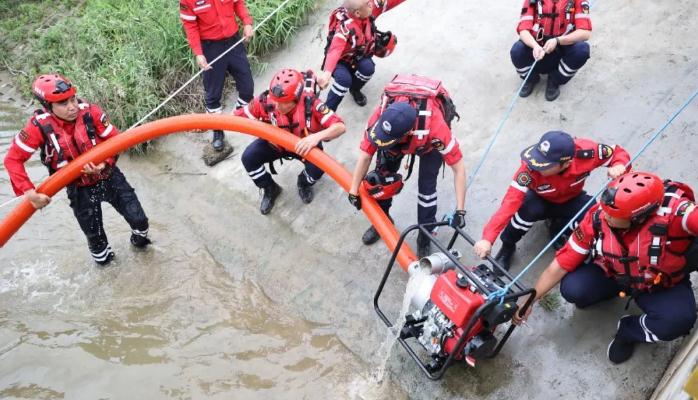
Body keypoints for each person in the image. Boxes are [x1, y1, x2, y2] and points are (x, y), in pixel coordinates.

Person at [515, 172, 698, 364]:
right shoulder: (598, 216)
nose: (605, 215)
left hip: (658, 283)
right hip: (615, 273)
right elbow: (561, 264)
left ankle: (628, 331)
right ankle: (614, 292)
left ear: (638, 216)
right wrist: (530, 300)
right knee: (573, 290)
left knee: (677, 322)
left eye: (613, 214)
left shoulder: (676, 214)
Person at [3, 74, 150, 265]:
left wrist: (103, 163)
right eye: (63, 103)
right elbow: (12, 160)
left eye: (72, 99)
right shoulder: (37, 127)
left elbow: (116, 140)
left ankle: (141, 251)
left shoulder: (90, 112)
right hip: (79, 189)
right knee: (98, 246)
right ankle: (111, 277)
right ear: (49, 106)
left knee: (140, 222)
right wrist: (30, 194)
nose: (72, 106)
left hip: (108, 176)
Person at [347, 75, 466, 257]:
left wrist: (460, 210)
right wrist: (354, 189)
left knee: (427, 190)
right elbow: (366, 154)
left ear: (409, 132)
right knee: (380, 179)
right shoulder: (381, 118)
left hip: (427, 146)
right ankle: (382, 220)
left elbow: (458, 168)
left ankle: (424, 235)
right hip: (399, 141)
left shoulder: (436, 129)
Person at [474, 131, 629, 271]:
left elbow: (616, 152)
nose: (536, 165)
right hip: (540, 200)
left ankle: (559, 228)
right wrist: (488, 238)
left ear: (566, 163)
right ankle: (507, 246)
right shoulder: (529, 168)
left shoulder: (587, 153)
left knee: (592, 214)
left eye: (545, 164)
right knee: (523, 214)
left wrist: (619, 164)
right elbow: (509, 203)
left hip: (571, 198)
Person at [237, 68, 346, 214]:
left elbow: (340, 127)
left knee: (317, 170)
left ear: (296, 99)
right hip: (275, 144)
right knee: (248, 158)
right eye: (275, 101)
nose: (276, 106)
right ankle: (270, 188)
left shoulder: (312, 104)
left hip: (304, 145)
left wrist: (315, 137)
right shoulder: (266, 100)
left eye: (283, 103)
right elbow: (237, 117)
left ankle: (303, 182)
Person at [180, 0, 255, 151]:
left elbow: (238, 3)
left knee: (247, 88)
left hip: (233, 42)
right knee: (213, 95)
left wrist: (246, 22)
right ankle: (218, 131)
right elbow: (190, 26)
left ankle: (237, 117)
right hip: (210, 48)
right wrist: (198, 53)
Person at [317, 0, 404, 111]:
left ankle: (355, 89)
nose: (371, 4)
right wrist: (327, 74)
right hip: (340, 62)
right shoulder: (344, 27)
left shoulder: (367, 10)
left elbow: (390, 2)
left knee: (368, 68)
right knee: (344, 81)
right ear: (357, 13)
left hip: (357, 55)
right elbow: (335, 50)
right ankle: (326, 113)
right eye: (368, 4)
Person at [510, 0, 592, 101]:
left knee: (582, 50)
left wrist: (558, 40)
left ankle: (555, 79)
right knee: (517, 51)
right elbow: (523, 30)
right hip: (537, 53)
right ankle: (530, 78)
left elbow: (585, 33)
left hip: (561, 52)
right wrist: (535, 46)